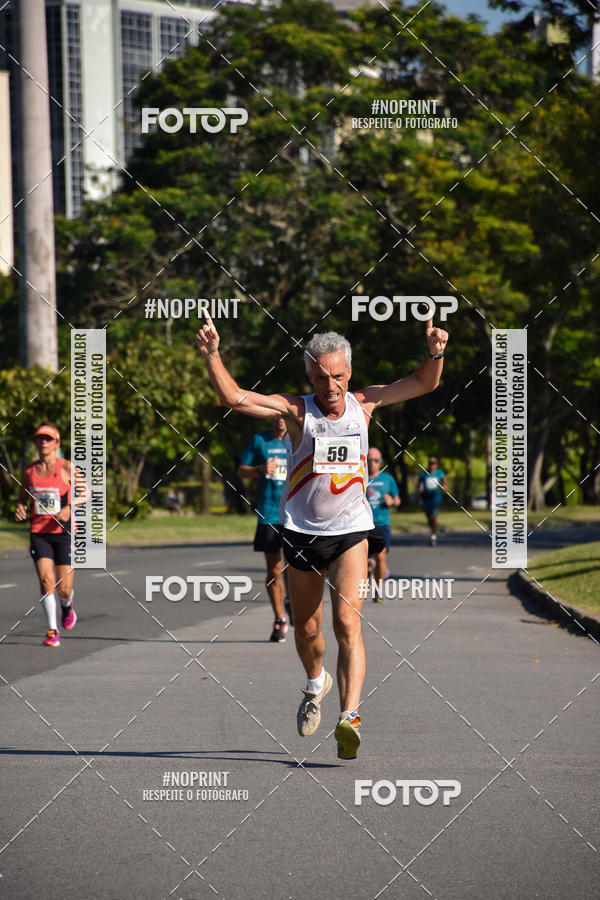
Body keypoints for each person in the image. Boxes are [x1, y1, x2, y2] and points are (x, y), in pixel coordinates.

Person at [196, 312, 448, 759]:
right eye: (319, 377)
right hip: (300, 532)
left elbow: (423, 383)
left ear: (349, 372)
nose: (329, 386)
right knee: (307, 629)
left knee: (347, 622)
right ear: (308, 376)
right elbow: (234, 398)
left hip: (352, 529)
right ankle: (316, 684)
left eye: (336, 376)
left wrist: (435, 352)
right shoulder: (297, 411)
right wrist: (214, 355)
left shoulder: (365, 403)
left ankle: (349, 716)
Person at [15, 423, 88, 647]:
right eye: (40, 439)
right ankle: (52, 630)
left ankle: (67, 605)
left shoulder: (66, 467)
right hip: (39, 533)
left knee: (63, 588)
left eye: (48, 439)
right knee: (47, 580)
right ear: (36, 443)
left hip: (63, 533)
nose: (44, 443)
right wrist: (20, 508)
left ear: (57, 443)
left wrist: (69, 507)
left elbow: (86, 493)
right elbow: (22, 497)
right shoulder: (29, 471)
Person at [237, 416, 290, 642]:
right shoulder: (260, 441)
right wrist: (259, 469)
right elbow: (241, 471)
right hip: (268, 513)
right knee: (274, 569)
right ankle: (280, 619)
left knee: (296, 568)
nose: (280, 420)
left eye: (283, 415)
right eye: (276, 415)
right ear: (271, 418)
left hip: (295, 515)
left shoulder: (298, 438)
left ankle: (292, 602)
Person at [366, 448, 400, 598]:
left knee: (380, 557)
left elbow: (397, 500)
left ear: (380, 463)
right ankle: (368, 569)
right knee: (363, 560)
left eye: (375, 460)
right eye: (369, 460)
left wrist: (391, 501)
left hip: (382, 524)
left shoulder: (388, 479)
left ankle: (378, 590)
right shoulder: (360, 477)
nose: (372, 463)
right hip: (364, 525)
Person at [418, 456, 447, 546]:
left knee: (433, 517)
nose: (432, 465)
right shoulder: (424, 474)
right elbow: (419, 485)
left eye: (433, 463)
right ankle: (432, 530)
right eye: (430, 463)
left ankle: (433, 536)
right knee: (429, 518)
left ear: (436, 465)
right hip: (426, 498)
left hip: (435, 498)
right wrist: (419, 496)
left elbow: (444, 480)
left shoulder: (439, 473)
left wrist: (445, 486)